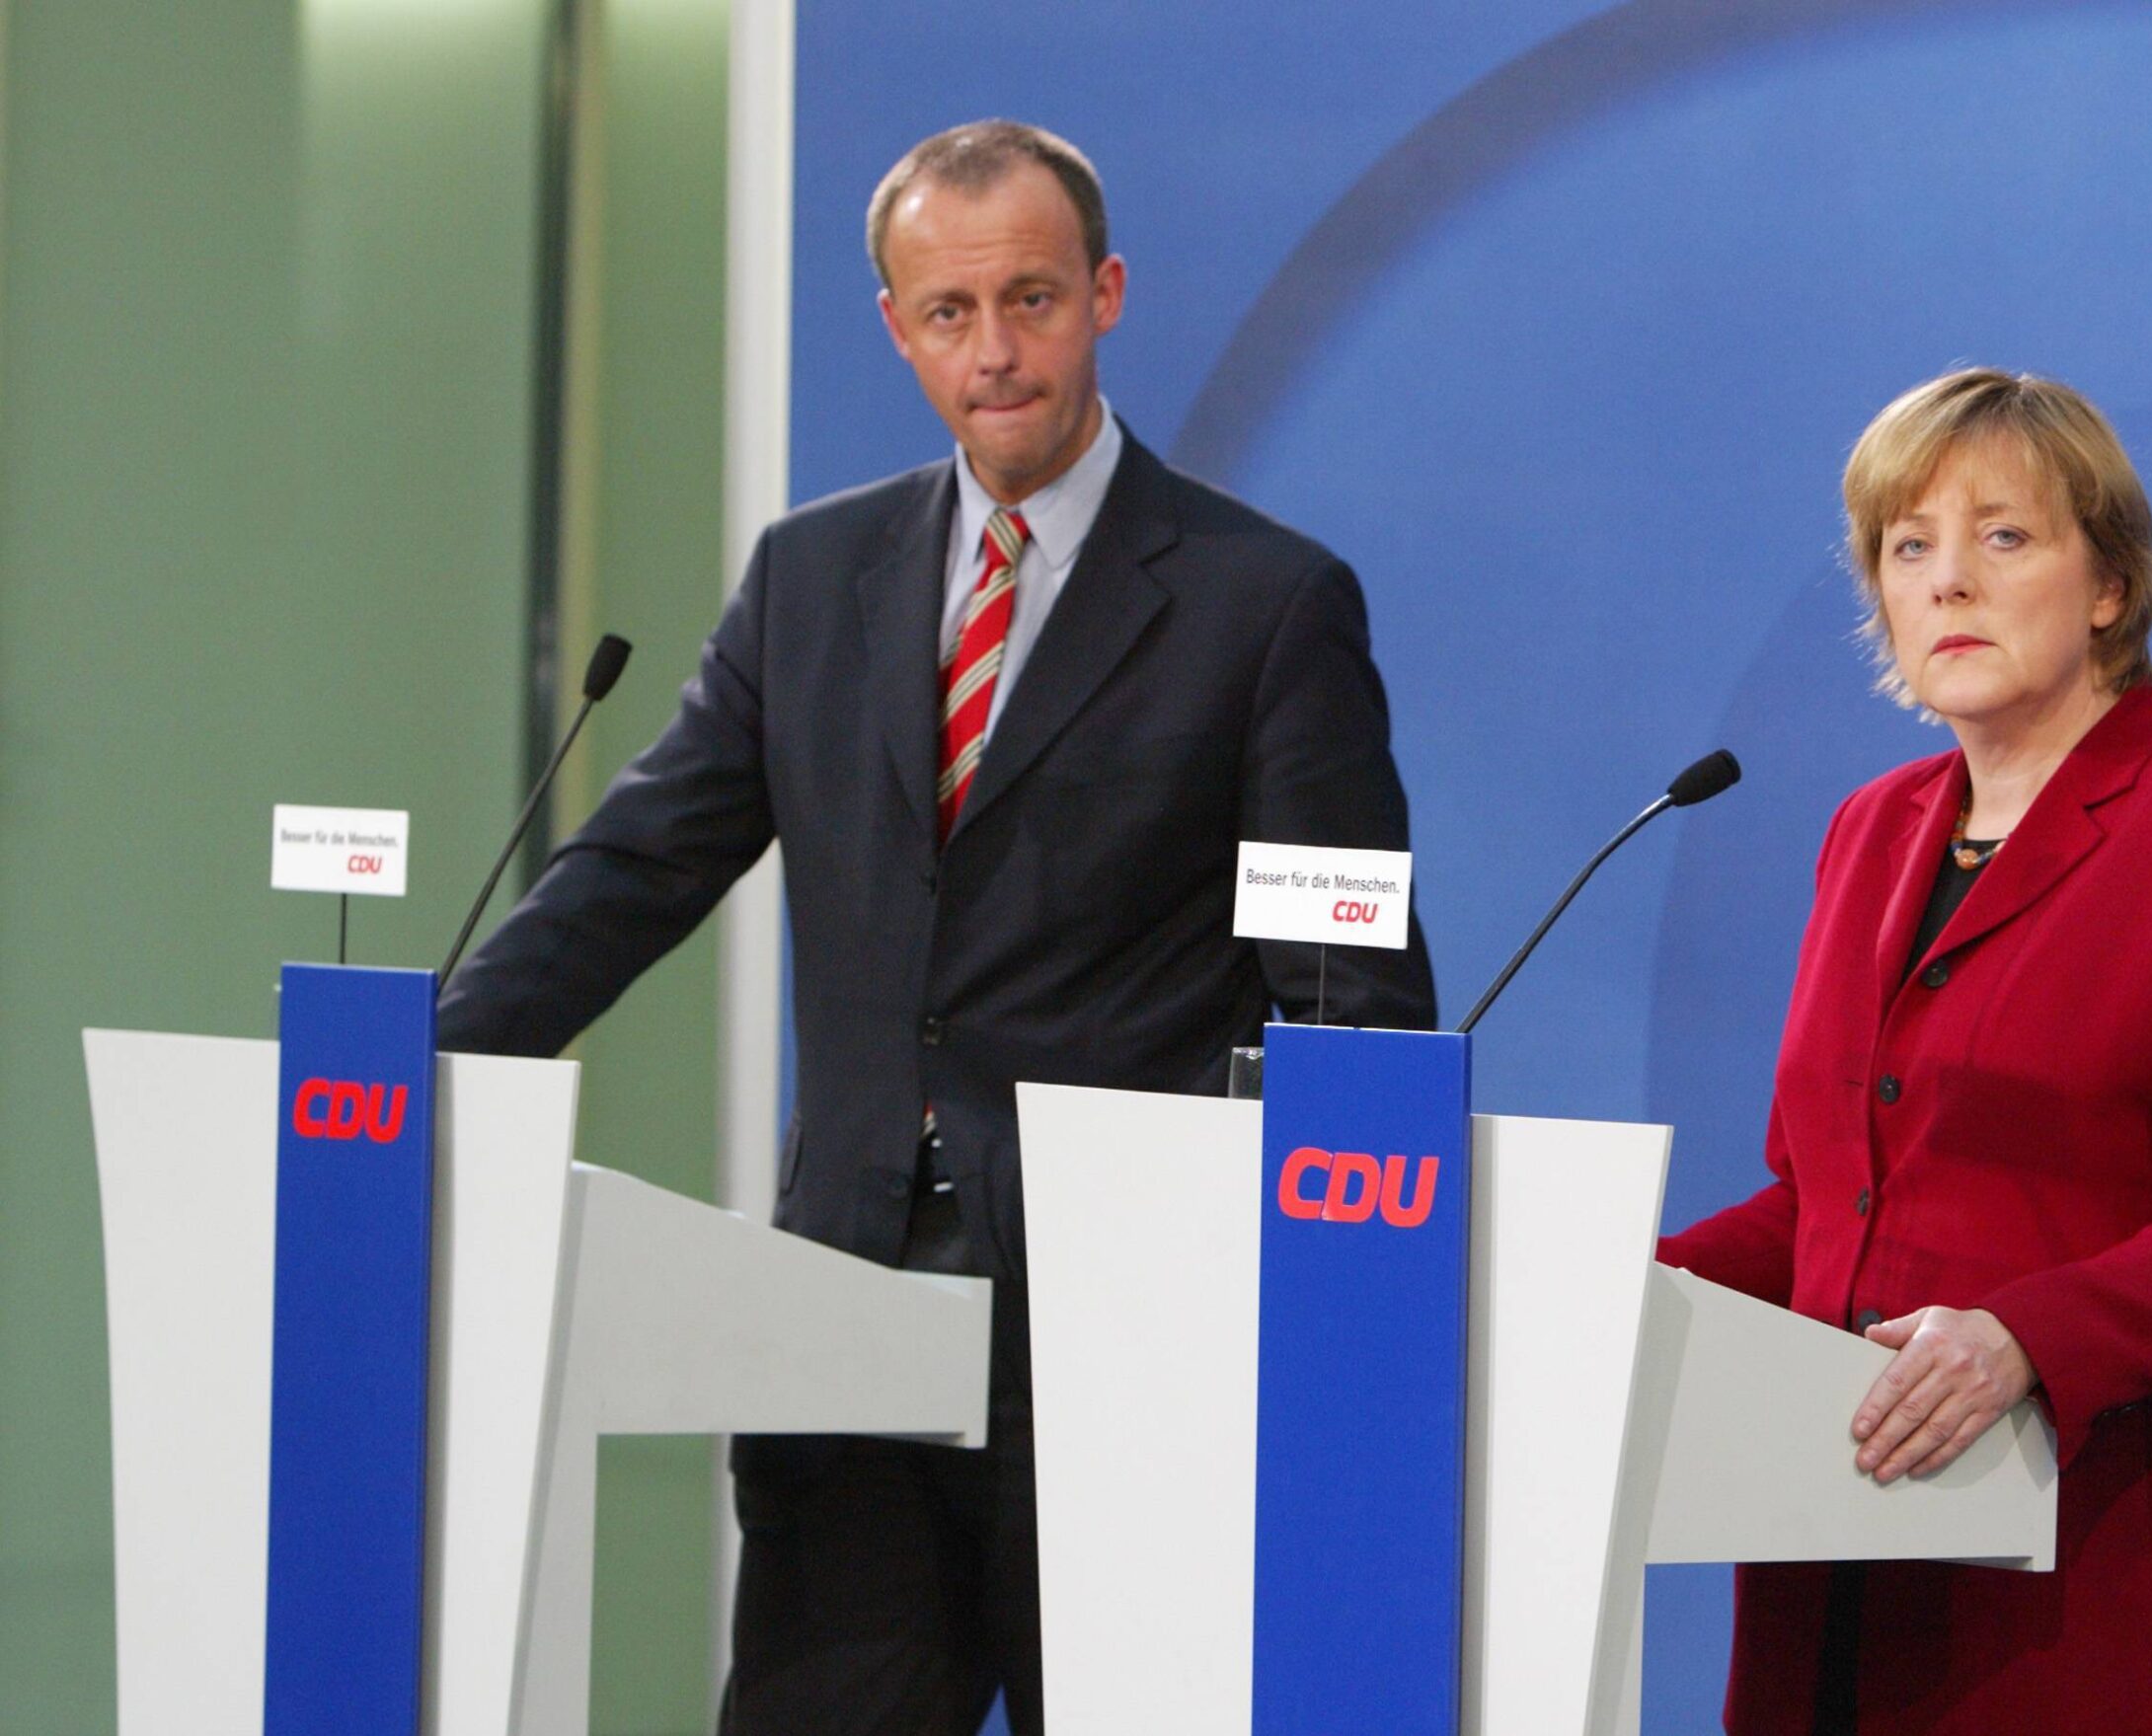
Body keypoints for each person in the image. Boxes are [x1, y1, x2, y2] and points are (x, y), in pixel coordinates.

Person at [438, 119, 1435, 1736]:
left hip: (1119, 1341)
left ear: (1105, 293)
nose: (998, 353)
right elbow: (636, 870)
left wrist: (1319, 1311)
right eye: (951, 313)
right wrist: (413, 1079)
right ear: (897, 327)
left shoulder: (1266, 603)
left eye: (1032, 300)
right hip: (840, 1315)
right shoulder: (809, 574)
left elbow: (1350, 992)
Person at [1658, 368, 2152, 1733]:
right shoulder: (1869, 831)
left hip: (2109, 1571)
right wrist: (1604, 1287)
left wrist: (2025, 1341)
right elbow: (1823, 1202)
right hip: (1840, 1563)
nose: (1947, 584)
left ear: (2109, 586)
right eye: (1907, 546)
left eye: (2003, 537)